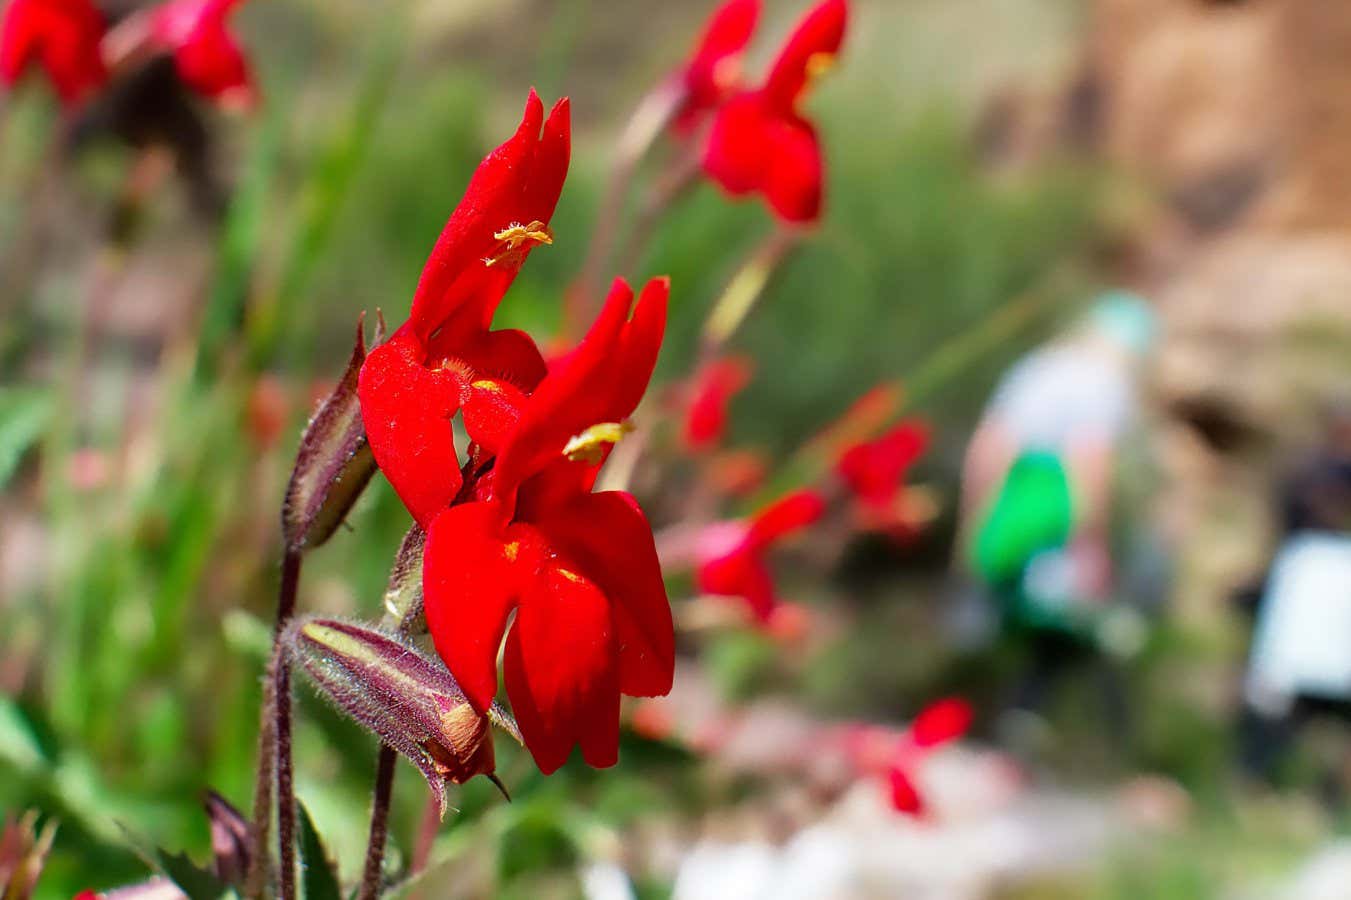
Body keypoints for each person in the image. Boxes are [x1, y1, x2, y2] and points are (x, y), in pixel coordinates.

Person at [958, 291, 1159, 743]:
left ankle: (979, 712)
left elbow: (989, 443)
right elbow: (1090, 462)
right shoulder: (1104, 383)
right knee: (1066, 625)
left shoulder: (1037, 367)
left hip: (1011, 509)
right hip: (1055, 521)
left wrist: (974, 516)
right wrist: (1092, 541)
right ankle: (1024, 723)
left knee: (1006, 614)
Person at [1238, 399, 1351, 795]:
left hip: (1331, 599)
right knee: (1281, 696)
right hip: (1307, 594)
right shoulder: (1308, 473)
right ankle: (1255, 780)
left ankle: (1328, 791)